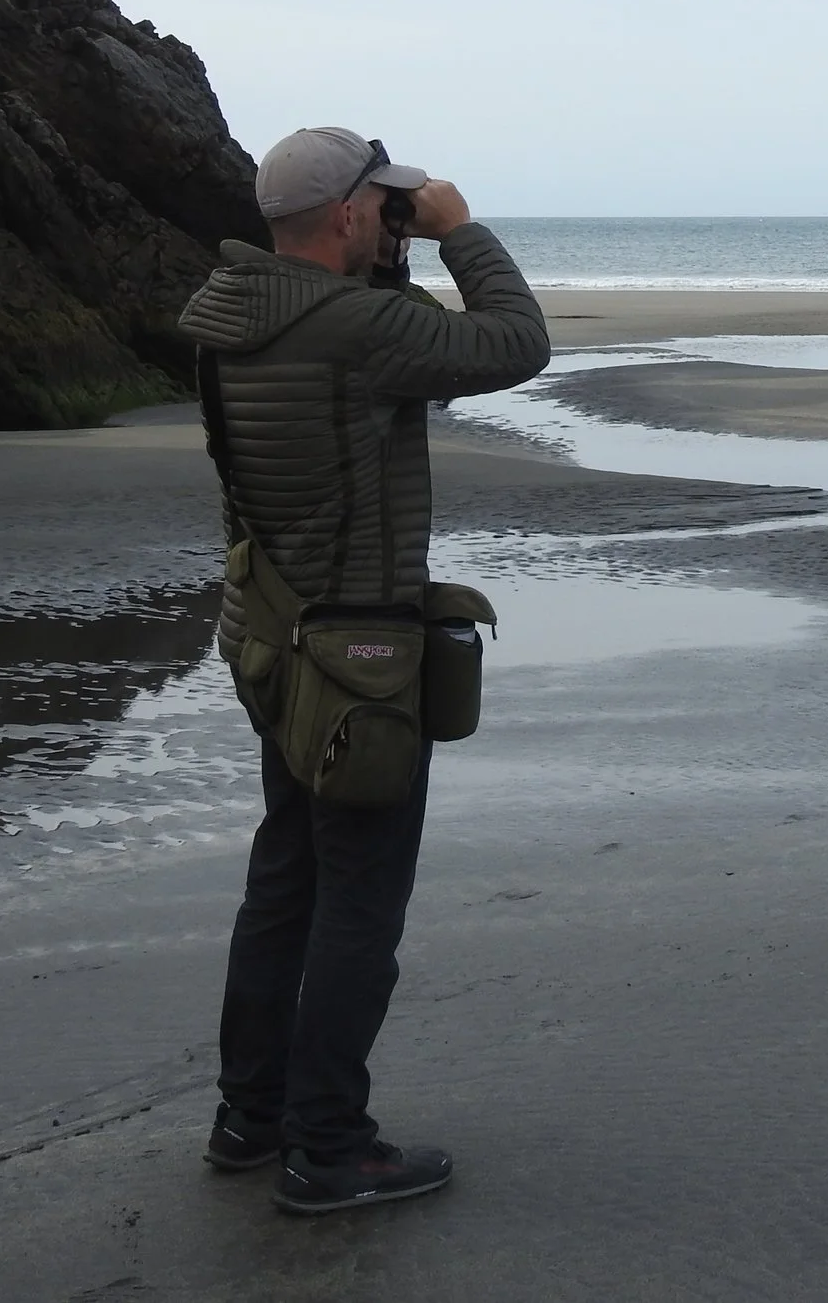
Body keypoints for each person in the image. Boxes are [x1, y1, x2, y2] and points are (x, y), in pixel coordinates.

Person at [178, 125, 549, 1215]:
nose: (394, 217)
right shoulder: (357, 327)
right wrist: (459, 235)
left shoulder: (228, 318)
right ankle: (329, 1148)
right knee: (358, 902)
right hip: (359, 665)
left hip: (270, 635)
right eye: (381, 206)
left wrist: (394, 258)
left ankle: (252, 1115)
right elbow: (514, 344)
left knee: (284, 879)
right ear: (345, 215)